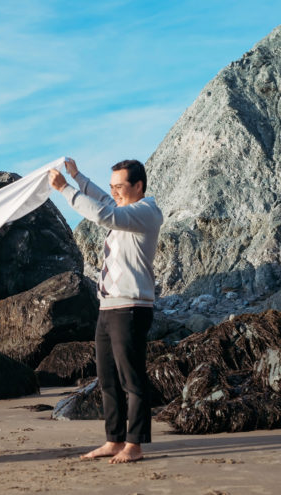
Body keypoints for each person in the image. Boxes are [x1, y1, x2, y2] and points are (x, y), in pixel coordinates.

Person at [48, 158, 163, 464]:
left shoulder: (145, 212)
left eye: (119, 187)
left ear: (138, 186)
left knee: (132, 379)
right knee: (107, 379)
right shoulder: (125, 208)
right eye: (112, 186)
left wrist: (65, 189)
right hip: (108, 307)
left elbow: (102, 212)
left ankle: (134, 444)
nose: (114, 192)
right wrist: (77, 176)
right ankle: (114, 440)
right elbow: (102, 199)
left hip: (132, 307)